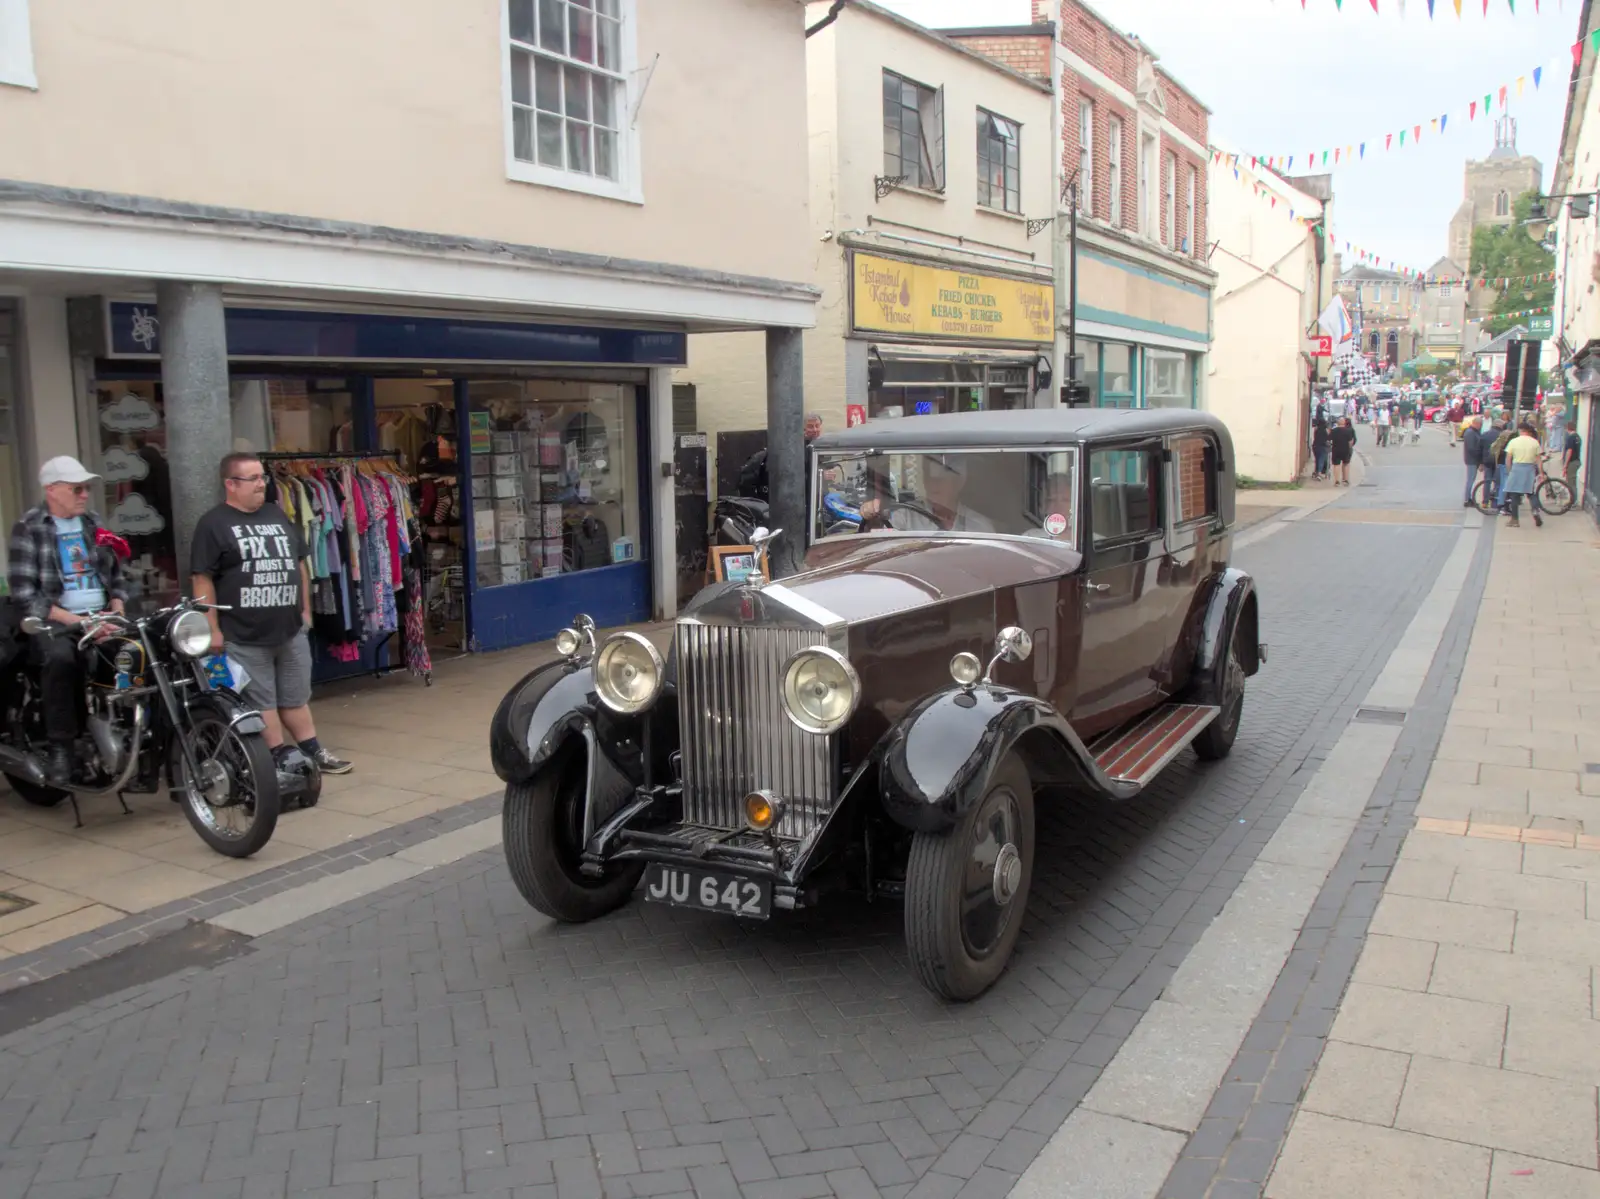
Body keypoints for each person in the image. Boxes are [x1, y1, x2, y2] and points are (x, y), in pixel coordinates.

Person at [190, 452, 352, 777]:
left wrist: (305, 610)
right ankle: (278, 757)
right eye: (253, 479)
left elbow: (299, 564)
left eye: (262, 477)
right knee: (261, 700)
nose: (261, 484)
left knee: (295, 696)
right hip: (244, 633)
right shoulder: (213, 523)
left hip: (289, 629)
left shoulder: (276, 514)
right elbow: (201, 578)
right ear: (231, 484)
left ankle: (313, 750)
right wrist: (212, 627)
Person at [6, 457, 130, 783]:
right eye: (77, 488)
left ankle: (133, 731)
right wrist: (77, 620)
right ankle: (63, 748)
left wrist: (117, 608)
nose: (84, 494)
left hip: (101, 615)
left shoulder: (93, 523)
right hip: (57, 620)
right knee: (61, 659)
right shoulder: (29, 527)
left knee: (147, 649)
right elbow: (25, 594)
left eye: (86, 487)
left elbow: (117, 574)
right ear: (52, 490)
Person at [858, 454, 995, 532]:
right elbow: (886, 544)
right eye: (929, 478)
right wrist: (874, 518)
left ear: (958, 483)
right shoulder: (906, 516)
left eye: (941, 479)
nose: (933, 484)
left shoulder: (979, 526)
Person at [1503, 421, 1545, 529]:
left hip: (1517, 468)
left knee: (1514, 495)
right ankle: (1535, 510)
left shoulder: (1513, 441)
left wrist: (1509, 471)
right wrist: (1541, 473)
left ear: (1520, 431)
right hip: (1529, 469)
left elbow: (1508, 458)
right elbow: (1538, 459)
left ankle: (1515, 519)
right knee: (1531, 493)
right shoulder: (1534, 442)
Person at [1461, 415, 1487, 508]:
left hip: (1471, 459)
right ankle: (1467, 499)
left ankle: (1469, 498)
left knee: (1471, 479)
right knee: (1470, 480)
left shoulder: (1472, 432)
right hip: (1472, 460)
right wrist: (1479, 460)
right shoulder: (1471, 433)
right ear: (1476, 424)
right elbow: (1472, 448)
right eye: (1480, 425)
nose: (1481, 426)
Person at [1329, 417, 1356, 486]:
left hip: (1336, 450)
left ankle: (1337, 481)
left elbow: (1329, 439)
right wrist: (1349, 448)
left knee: (1336, 465)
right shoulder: (1348, 431)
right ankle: (1345, 480)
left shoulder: (1334, 431)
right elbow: (1350, 442)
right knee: (1346, 464)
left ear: (1337, 423)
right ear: (1344, 423)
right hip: (1345, 450)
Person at [1564, 425, 1583, 499]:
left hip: (1572, 462)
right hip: (1577, 461)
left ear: (1567, 429)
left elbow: (1569, 451)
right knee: (1573, 482)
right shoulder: (1578, 437)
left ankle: (1573, 501)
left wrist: (1565, 465)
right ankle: (1573, 500)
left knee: (1571, 483)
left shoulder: (1570, 437)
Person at [1311, 416, 1330, 482]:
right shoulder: (1326, 430)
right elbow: (1328, 438)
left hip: (1315, 445)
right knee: (1321, 460)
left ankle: (1315, 472)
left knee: (1317, 459)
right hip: (1323, 446)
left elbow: (1315, 436)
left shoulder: (1316, 429)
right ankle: (1319, 473)